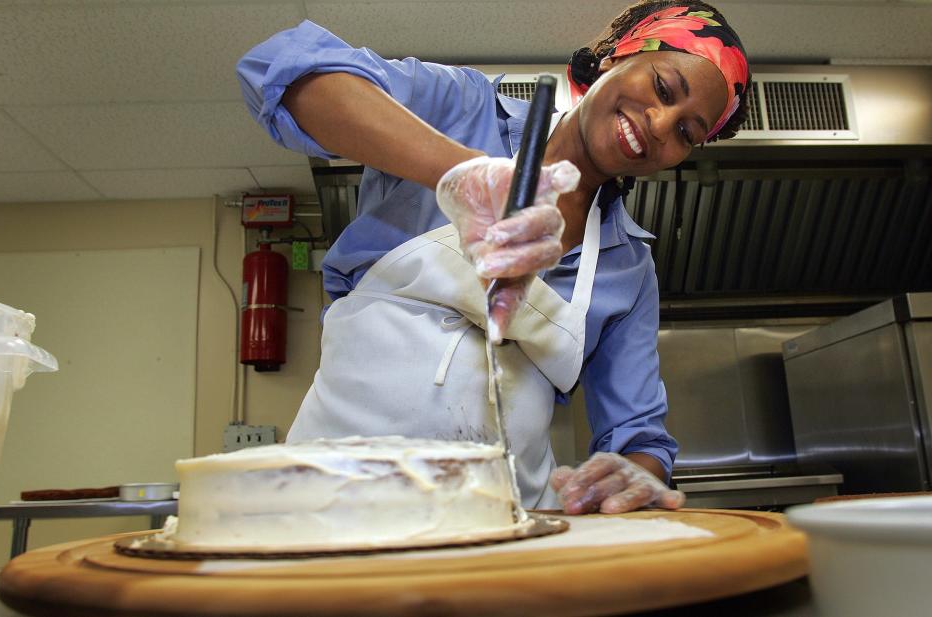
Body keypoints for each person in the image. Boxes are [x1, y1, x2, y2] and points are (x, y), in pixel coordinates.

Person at [237, 0, 750, 514]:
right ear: (618, 55)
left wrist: (631, 474)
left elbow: (639, 437)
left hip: (504, 521)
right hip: (330, 496)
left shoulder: (627, 267)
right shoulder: (464, 109)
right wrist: (461, 173)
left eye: (688, 132)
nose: (661, 125)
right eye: (663, 88)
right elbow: (286, 70)